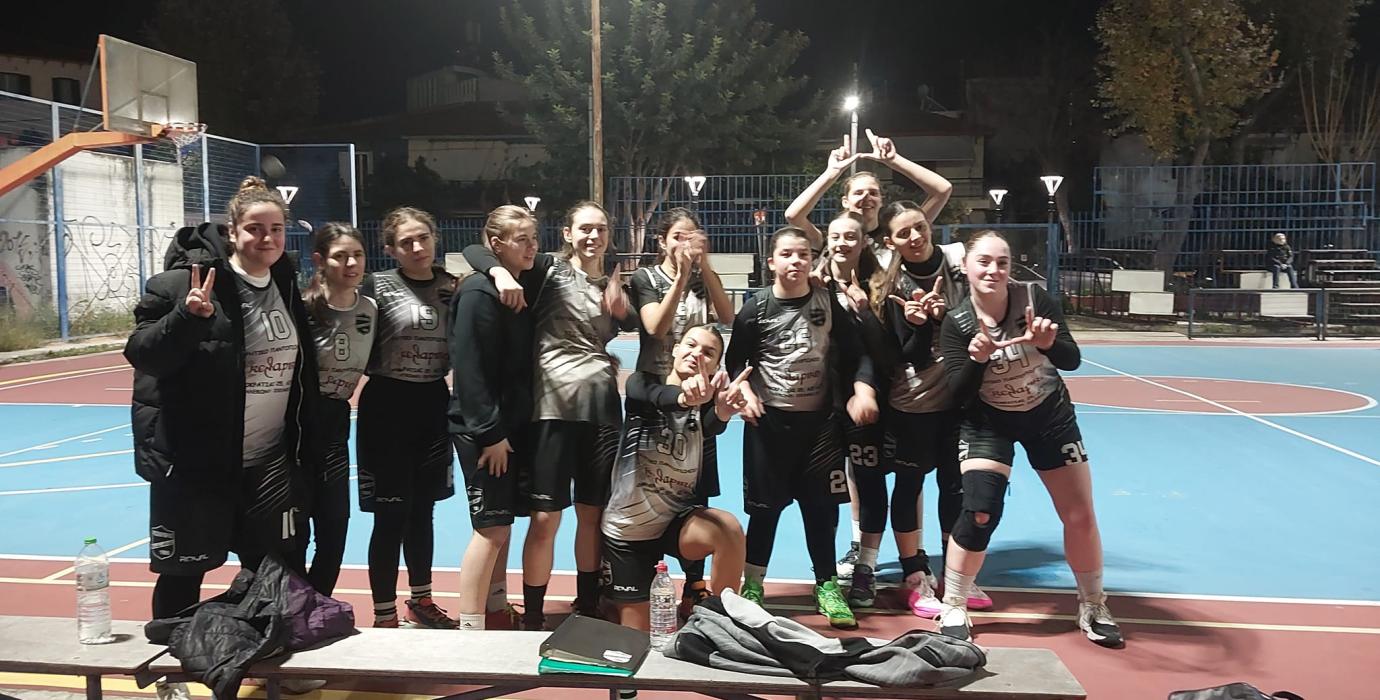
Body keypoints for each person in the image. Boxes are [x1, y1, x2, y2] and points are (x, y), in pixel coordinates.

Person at [126, 177, 320, 700]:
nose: (266, 238)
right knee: (183, 575)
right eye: (254, 228)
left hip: (269, 460)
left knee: (277, 572)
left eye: (275, 228)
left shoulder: (284, 282)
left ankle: (273, 670)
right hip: (199, 464)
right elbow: (143, 354)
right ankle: (171, 681)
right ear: (233, 232)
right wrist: (187, 318)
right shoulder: (181, 284)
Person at [936, 230, 1123, 648]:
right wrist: (977, 360)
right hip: (988, 423)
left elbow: (1072, 360)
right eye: (984, 261)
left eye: (1002, 262)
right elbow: (957, 394)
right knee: (980, 512)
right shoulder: (957, 322)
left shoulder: (1035, 300)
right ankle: (954, 603)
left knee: (1079, 514)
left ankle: (1093, 604)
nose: (993, 270)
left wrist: (1050, 344)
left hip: (1048, 416)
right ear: (965, 267)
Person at [785, 130, 952, 574]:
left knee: (902, 471)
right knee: (858, 468)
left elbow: (941, 190)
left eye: (874, 191)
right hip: (839, 374)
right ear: (845, 201)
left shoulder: (895, 239)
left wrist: (893, 160)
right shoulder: (836, 239)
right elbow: (794, 215)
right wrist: (832, 171)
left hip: (889, 369)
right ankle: (861, 546)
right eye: (858, 191)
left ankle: (910, 552)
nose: (866, 197)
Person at [464, 201, 634, 629]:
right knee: (545, 518)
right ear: (567, 234)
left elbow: (639, 326)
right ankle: (534, 615)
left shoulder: (616, 287)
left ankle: (588, 604)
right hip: (551, 410)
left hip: (602, 411)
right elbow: (475, 250)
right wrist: (499, 272)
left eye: (601, 229)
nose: (594, 236)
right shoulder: (546, 269)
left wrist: (622, 312)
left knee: (592, 515)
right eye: (585, 229)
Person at [724, 226, 878, 630]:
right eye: (787, 254)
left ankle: (826, 585)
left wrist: (862, 390)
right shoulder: (755, 309)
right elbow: (735, 361)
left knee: (820, 510)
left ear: (812, 261)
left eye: (803, 254)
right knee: (765, 511)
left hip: (820, 426)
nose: (796, 261)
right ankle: (753, 583)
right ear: (771, 262)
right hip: (769, 425)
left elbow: (857, 354)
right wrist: (746, 392)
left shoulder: (827, 303)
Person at [855, 200, 993, 617]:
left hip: (960, 399)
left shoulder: (958, 267)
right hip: (913, 402)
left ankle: (953, 571)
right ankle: (913, 573)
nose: (914, 237)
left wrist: (946, 316)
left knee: (955, 487)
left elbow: (984, 321)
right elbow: (905, 356)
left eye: (919, 226)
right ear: (890, 242)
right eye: (903, 233)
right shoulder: (890, 285)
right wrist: (919, 324)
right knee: (909, 485)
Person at [603, 325, 748, 630]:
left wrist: (722, 412)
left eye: (708, 352)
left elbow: (708, 425)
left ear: (715, 366)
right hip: (630, 530)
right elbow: (658, 396)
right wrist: (685, 398)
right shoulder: (643, 383)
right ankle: (608, 595)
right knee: (638, 636)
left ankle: (723, 622)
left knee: (728, 528)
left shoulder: (705, 401)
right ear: (676, 349)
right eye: (691, 345)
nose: (697, 354)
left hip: (675, 522)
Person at [627, 207, 735, 615]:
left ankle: (695, 583)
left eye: (693, 237)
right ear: (662, 241)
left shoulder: (704, 280)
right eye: (677, 237)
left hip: (698, 395)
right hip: (656, 395)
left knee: (696, 484)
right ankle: (639, 572)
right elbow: (656, 326)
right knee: (649, 483)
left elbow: (727, 316)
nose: (685, 244)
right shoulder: (647, 278)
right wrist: (680, 277)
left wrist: (702, 268)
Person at [357, 206, 458, 629]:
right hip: (387, 406)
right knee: (390, 515)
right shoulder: (374, 287)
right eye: (406, 242)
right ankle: (384, 614)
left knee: (423, 512)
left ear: (435, 238)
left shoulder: (453, 287)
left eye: (423, 238)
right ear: (390, 249)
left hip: (433, 403)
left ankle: (421, 601)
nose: (417, 247)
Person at [448, 205, 540, 630]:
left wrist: (501, 270)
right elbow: (469, 371)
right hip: (484, 432)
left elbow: (475, 249)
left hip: (509, 428)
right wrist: (490, 434)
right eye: (521, 239)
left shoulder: (519, 280)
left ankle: (497, 609)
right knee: (491, 529)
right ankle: (471, 628)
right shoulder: (477, 294)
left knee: (502, 525)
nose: (531, 247)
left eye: (534, 238)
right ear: (497, 244)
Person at [301, 222, 376, 597]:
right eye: (340, 256)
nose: (351, 263)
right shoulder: (303, 308)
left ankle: (316, 605)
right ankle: (285, 605)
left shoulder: (370, 309)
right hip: (296, 423)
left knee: (334, 528)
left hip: (335, 421)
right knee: (294, 528)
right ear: (320, 260)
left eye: (357, 255)